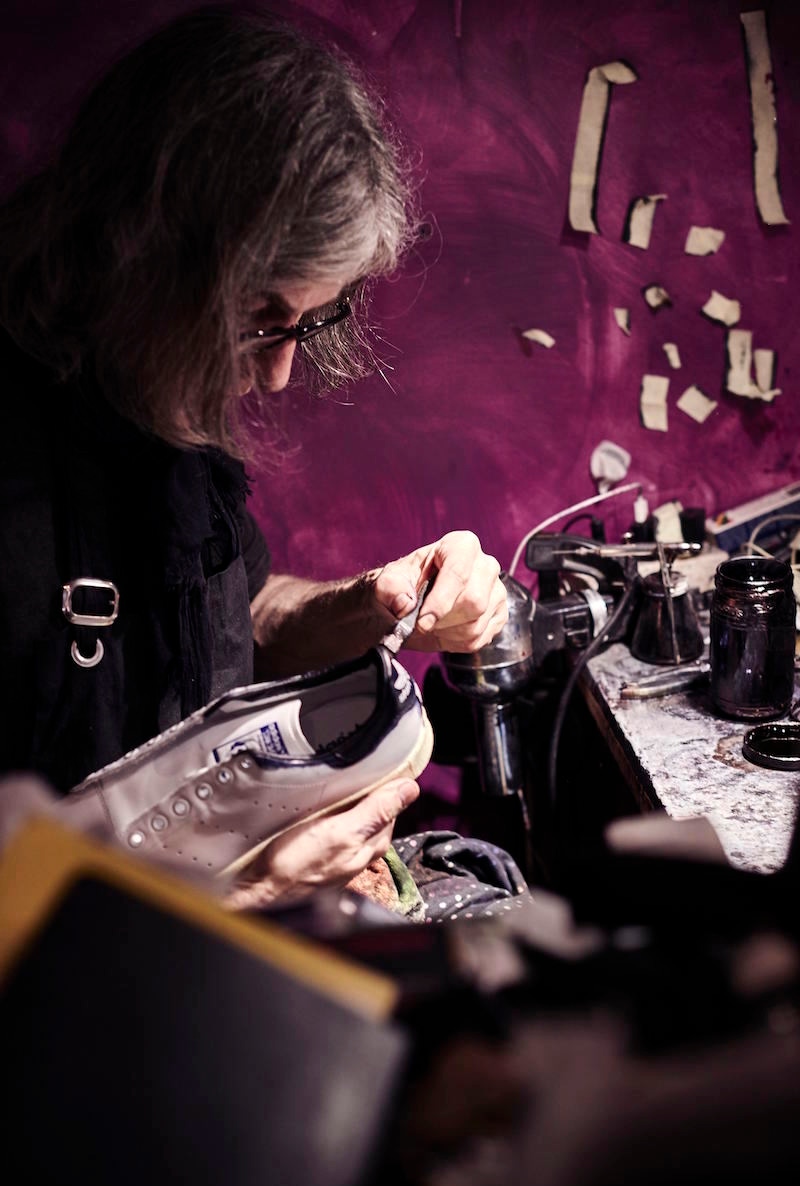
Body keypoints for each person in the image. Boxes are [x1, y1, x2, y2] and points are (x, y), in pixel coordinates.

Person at [0, 4, 517, 916]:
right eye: (254, 318)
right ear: (140, 258)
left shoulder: (159, 400)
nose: (279, 374)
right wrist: (246, 894)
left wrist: (370, 603)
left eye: (309, 324)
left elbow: (245, 614)